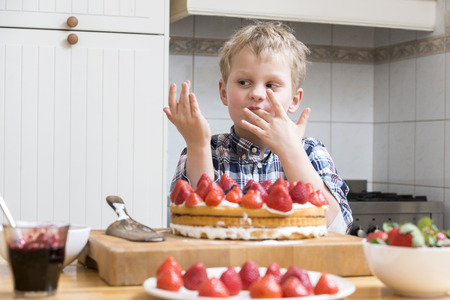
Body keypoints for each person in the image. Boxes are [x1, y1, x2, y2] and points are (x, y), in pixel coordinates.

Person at [163, 21, 353, 234]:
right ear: (224, 92)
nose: (257, 94)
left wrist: (291, 151)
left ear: (294, 99)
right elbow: (193, 224)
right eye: (244, 82)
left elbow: (337, 228)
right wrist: (197, 144)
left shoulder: (311, 152)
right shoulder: (208, 150)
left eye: (271, 85)